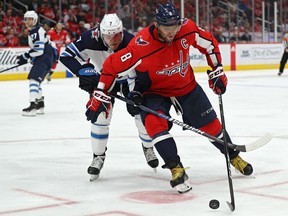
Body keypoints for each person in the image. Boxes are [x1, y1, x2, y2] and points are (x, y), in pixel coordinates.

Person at [84, 1, 253, 193]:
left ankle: (233, 156)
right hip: (154, 92)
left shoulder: (186, 29)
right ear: (157, 24)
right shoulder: (142, 43)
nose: (172, 31)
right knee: (155, 126)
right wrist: (99, 93)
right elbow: (112, 66)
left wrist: (217, 70)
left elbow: (209, 43)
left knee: (212, 126)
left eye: (175, 26)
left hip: (186, 87)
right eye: (167, 27)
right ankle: (176, 167)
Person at [59, 13, 159, 181]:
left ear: (122, 31)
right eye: (108, 35)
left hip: (129, 79)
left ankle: (148, 147)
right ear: (101, 33)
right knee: (99, 116)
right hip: (103, 80)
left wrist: (136, 93)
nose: (113, 39)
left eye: (117, 35)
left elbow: (141, 70)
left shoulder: (131, 41)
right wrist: (82, 71)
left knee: (141, 113)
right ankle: (98, 156)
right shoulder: (88, 39)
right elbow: (66, 56)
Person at [16, 11, 56, 116]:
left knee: (33, 79)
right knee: (36, 80)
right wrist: (31, 57)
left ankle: (32, 106)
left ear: (35, 20)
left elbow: (39, 50)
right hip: (47, 56)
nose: (27, 21)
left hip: (45, 56)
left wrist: (25, 56)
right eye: (26, 19)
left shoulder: (35, 31)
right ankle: (40, 105)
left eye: (30, 19)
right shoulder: (36, 30)